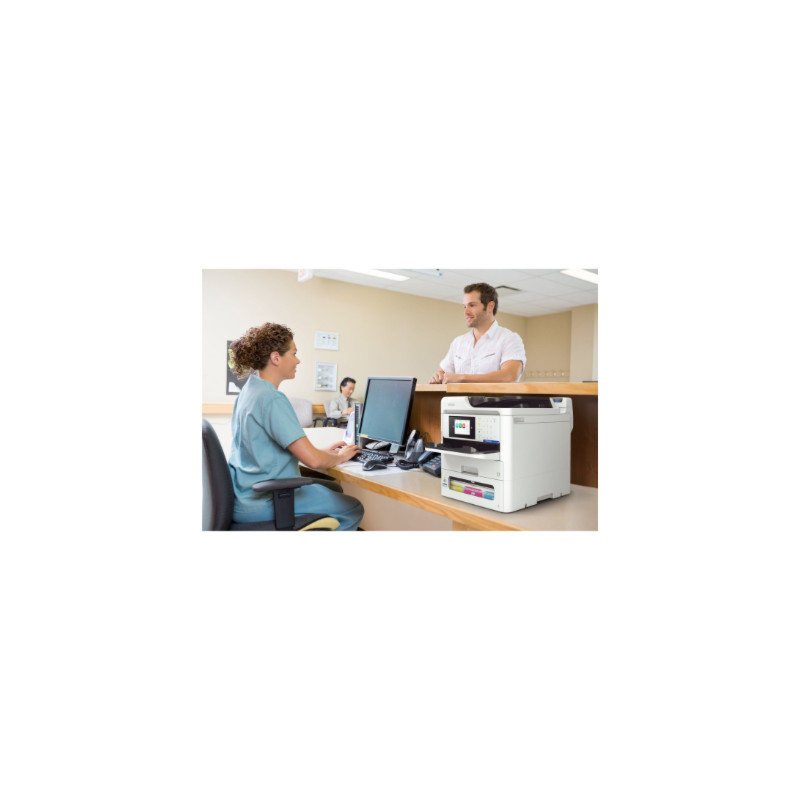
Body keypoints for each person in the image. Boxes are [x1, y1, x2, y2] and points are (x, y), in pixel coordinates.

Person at [227, 322, 364, 530]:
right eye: (294, 353)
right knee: (353, 508)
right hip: (266, 501)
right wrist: (341, 457)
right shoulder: (272, 398)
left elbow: (266, 450)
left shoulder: (248, 392)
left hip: (245, 496)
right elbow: (314, 461)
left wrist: (322, 452)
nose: (298, 360)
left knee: (333, 489)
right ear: (276, 358)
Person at [430, 282, 526, 384]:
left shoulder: (509, 339)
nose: (466, 312)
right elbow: (442, 372)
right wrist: (438, 376)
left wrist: (462, 378)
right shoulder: (458, 342)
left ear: (490, 306)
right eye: (464, 306)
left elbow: (509, 376)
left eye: (472, 305)